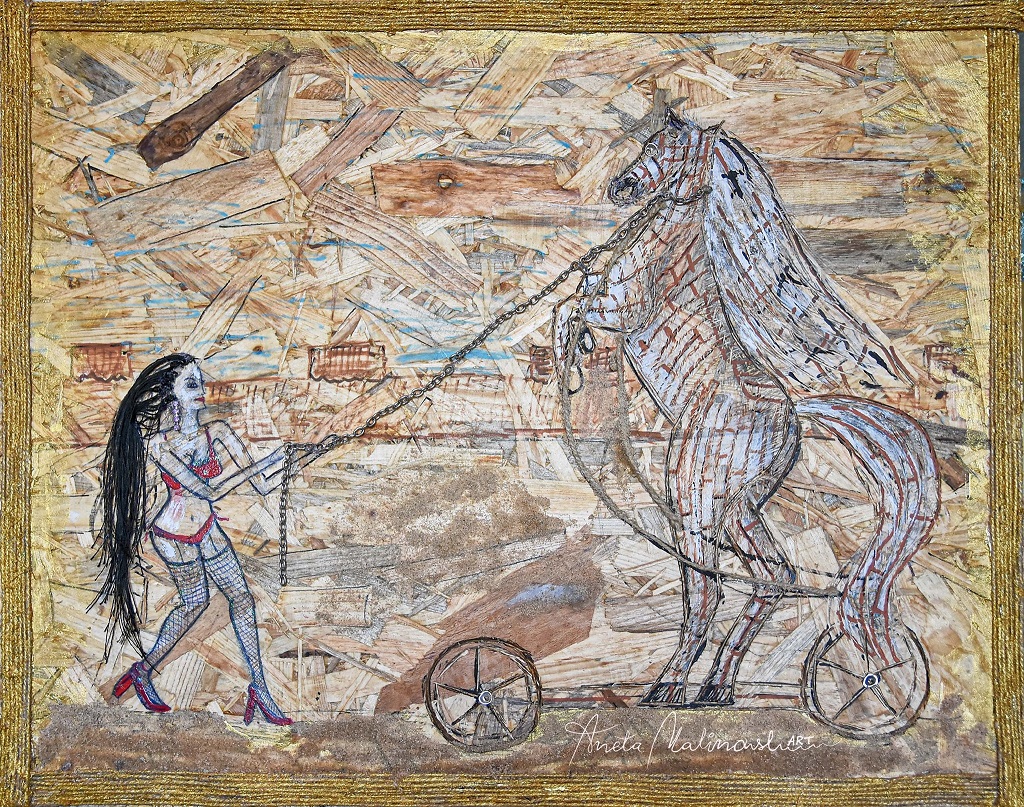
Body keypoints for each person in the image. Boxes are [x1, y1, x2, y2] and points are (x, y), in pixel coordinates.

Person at [92, 353, 312, 725]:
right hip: (174, 536)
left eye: (201, 383)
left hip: (207, 529)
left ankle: (259, 688)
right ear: (172, 393)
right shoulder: (159, 444)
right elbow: (209, 491)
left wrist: (293, 459)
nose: (202, 391)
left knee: (242, 598)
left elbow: (261, 484)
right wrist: (267, 461)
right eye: (191, 384)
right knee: (194, 605)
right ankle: (143, 671)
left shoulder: (219, 431)